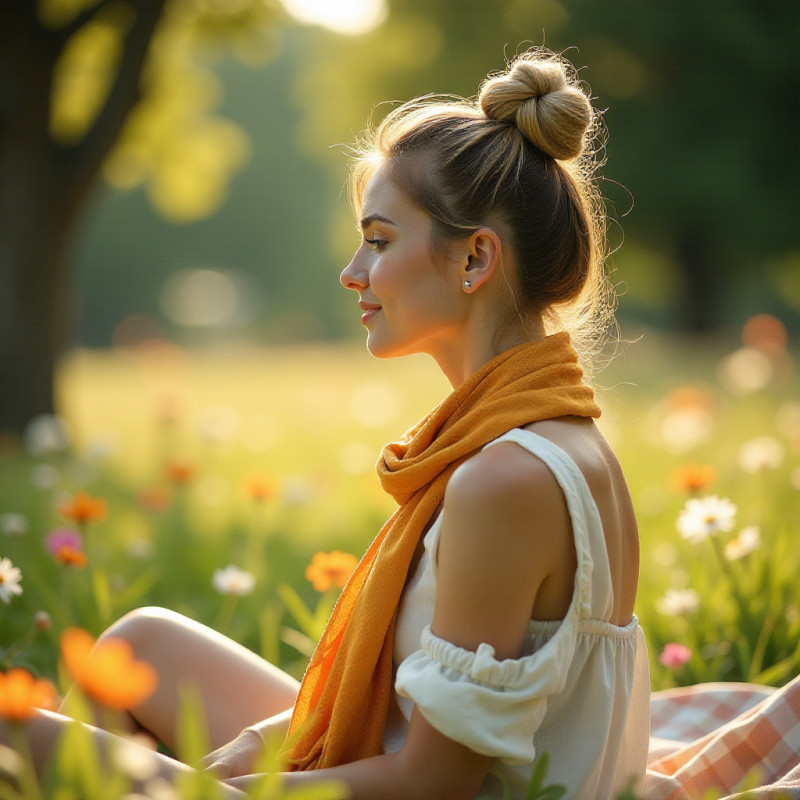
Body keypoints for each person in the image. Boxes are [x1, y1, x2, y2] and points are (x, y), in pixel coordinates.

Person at [3, 48, 651, 799]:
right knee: (141, 643)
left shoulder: (505, 480)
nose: (352, 271)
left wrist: (235, 791)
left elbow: (434, 781)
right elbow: (428, 712)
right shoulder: (556, 435)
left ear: (475, 259)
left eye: (378, 241)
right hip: (419, 767)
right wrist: (255, 744)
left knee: (9, 730)